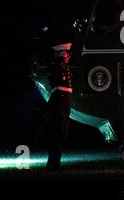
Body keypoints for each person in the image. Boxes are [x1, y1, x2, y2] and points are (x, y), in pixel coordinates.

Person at [46, 42, 73, 171]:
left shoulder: (64, 67)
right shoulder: (58, 66)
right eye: (67, 54)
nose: (69, 56)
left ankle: (55, 163)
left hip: (64, 104)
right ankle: (53, 164)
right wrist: (59, 60)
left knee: (62, 135)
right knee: (57, 135)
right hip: (59, 104)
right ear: (63, 54)